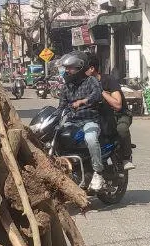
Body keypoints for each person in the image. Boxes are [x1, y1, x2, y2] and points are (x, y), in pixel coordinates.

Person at [57, 52, 106, 190]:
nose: (67, 71)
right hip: (72, 122)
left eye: (70, 68)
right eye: (66, 68)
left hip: (90, 120)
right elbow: (61, 106)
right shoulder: (67, 86)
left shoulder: (91, 81)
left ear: (79, 68)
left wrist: (83, 101)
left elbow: (97, 95)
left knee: (90, 139)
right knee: (57, 138)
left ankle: (98, 172)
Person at [88, 61, 136, 171]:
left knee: (122, 129)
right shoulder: (84, 83)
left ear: (91, 69)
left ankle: (126, 157)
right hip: (101, 116)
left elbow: (118, 105)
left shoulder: (109, 81)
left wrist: (101, 92)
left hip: (119, 115)